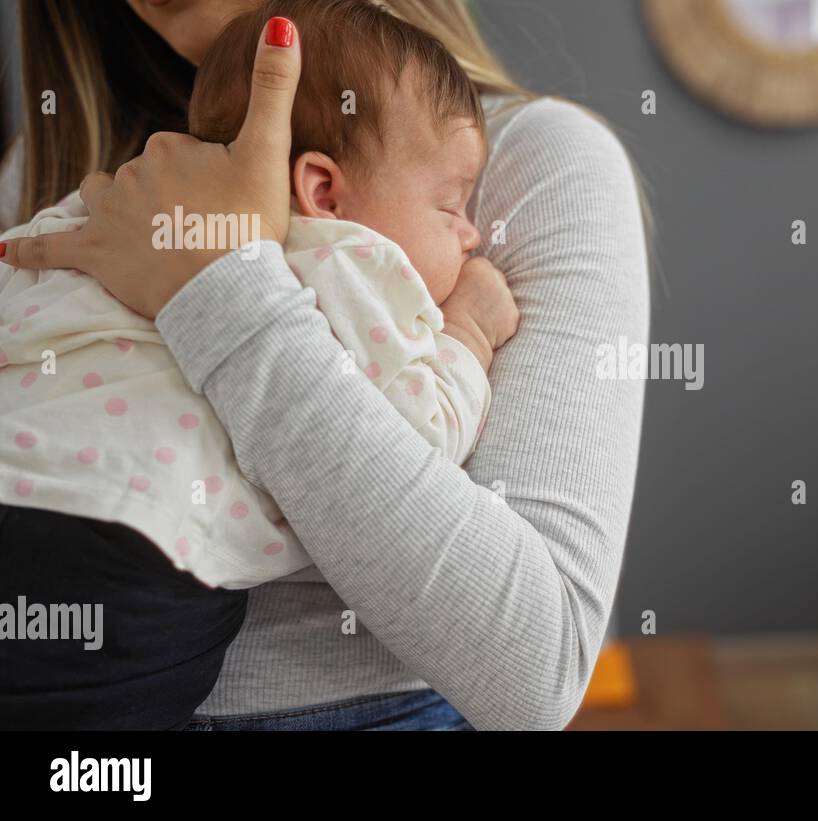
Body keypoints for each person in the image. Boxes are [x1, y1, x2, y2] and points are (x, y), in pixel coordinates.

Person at [0, 0, 648, 731]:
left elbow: (535, 671)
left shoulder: (529, 163)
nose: (465, 230)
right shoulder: (57, 163)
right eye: (451, 210)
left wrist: (215, 280)